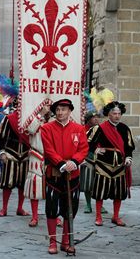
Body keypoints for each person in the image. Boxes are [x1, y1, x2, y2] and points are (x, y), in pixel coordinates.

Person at [41, 99, 89, 255]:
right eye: (58, 109)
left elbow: (83, 148)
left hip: (73, 175)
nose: (60, 112)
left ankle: (66, 241)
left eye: (64, 109)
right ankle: (53, 242)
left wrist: (74, 162)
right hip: (54, 175)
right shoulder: (46, 128)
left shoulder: (79, 128)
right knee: (52, 209)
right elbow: (48, 149)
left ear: (70, 111)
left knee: (71, 209)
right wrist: (61, 163)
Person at [88, 101, 135, 226]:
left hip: (120, 165)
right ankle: (98, 217)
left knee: (119, 193)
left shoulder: (125, 128)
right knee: (100, 192)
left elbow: (129, 146)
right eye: (114, 113)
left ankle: (115, 216)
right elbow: (87, 142)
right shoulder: (100, 128)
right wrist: (95, 150)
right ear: (109, 114)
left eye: (119, 113)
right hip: (103, 164)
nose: (117, 116)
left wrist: (129, 158)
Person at [0, 106, 30, 217]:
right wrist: (2, 152)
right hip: (10, 154)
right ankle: (4, 208)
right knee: (7, 184)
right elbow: (1, 136)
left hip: (26, 155)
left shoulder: (31, 119)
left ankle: (20, 208)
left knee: (23, 184)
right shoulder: (9, 118)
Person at [24, 105, 51, 227]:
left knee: (53, 189)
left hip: (52, 158)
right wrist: (40, 114)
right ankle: (34, 216)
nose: (48, 108)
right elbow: (29, 130)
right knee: (34, 187)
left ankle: (54, 215)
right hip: (36, 155)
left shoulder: (54, 121)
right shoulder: (33, 118)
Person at [80, 111, 108, 214]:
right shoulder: (82, 130)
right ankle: (88, 205)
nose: (96, 119)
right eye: (94, 117)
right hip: (87, 159)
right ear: (88, 119)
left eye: (97, 117)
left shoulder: (102, 130)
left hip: (100, 160)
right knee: (88, 183)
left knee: (100, 184)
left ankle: (100, 206)